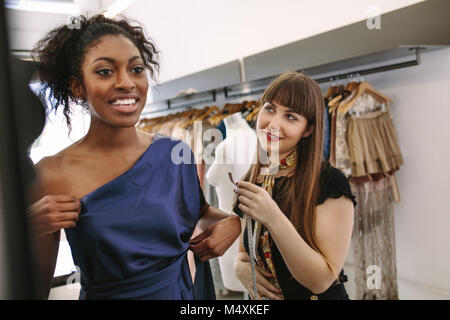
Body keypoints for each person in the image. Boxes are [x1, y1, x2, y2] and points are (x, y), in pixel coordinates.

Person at [28, 14, 241, 300]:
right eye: (105, 71)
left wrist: (232, 222)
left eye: (136, 69)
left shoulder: (175, 153)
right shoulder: (52, 173)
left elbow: (200, 214)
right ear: (78, 86)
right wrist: (26, 231)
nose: (126, 82)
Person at [233, 72, 357, 300]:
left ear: (308, 129)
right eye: (270, 108)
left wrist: (273, 216)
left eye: (290, 117)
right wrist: (240, 266)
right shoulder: (254, 178)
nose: (273, 124)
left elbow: (321, 281)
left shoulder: (330, 183)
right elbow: (245, 251)